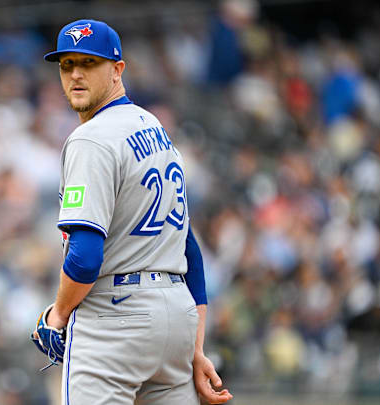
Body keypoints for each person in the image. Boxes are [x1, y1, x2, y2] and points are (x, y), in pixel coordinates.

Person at [31, 19, 234, 405]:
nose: (75, 74)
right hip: (175, 317)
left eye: (89, 63)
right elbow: (188, 247)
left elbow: (86, 256)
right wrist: (195, 346)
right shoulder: (152, 126)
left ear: (117, 69)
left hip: (115, 319)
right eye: (66, 64)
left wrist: (58, 314)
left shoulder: (91, 138)